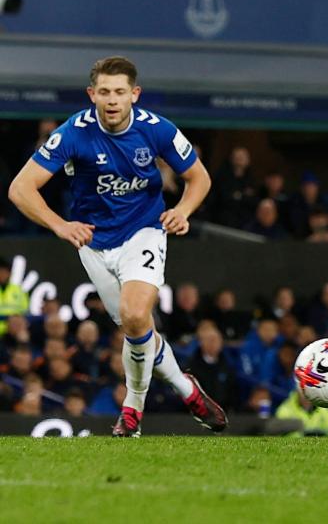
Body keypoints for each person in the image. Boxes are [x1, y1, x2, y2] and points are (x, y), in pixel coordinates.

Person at [7, 56, 227, 437]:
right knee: (135, 326)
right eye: (104, 92)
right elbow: (20, 188)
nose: (112, 100)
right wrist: (59, 225)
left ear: (134, 95)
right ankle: (185, 387)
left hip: (144, 229)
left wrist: (183, 210)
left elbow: (199, 177)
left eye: (120, 92)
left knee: (135, 312)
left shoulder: (156, 129)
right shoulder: (73, 132)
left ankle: (132, 409)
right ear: (92, 94)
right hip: (93, 240)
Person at [0, 256, 28, 338]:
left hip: (14, 333)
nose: (1, 274)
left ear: (9, 273)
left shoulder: (18, 290)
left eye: (4, 271)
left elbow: (24, 312)